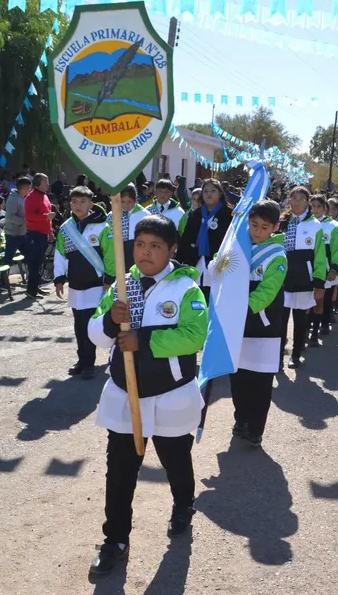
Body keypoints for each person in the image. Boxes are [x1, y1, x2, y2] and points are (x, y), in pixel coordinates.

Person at [86, 215, 208, 578]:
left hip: (171, 396)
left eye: (155, 245)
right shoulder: (120, 288)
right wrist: (110, 319)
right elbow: (97, 334)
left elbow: (194, 336)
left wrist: (146, 341)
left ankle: (183, 505)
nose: (146, 252)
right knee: (120, 472)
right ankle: (115, 540)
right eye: (140, 244)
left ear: (172, 250)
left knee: (175, 460)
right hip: (125, 396)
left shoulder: (187, 288)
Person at [230, 200, 287, 446]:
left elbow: (268, 291)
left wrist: (242, 308)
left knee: (261, 381)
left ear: (275, 227)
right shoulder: (239, 246)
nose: (257, 231)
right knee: (238, 376)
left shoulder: (277, 254)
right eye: (254, 225)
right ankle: (240, 418)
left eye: (265, 227)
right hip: (238, 325)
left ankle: (256, 428)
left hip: (264, 326)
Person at [54, 186, 115, 380]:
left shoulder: (103, 227)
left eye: (82, 202)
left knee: (90, 324)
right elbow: (60, 255)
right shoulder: (65, 228)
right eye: (74, 202)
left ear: (91, 203)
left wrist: (109, 278)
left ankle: (89, 363)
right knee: (78, 325)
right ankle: (82, 360)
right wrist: (59, 278)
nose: (78, 206)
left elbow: (111, 255)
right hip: (76, 285)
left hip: (96, 285)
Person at [277, 187, 326, 368]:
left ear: (308, 202)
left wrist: (319, 283)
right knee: (280, 320)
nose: (296, 201)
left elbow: (320, 257)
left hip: (304, 281)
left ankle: (296, 354)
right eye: (293, 198)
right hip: (282, 279)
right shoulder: (282, 221)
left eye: (300, 198)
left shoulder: (315, 226)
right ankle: (278, 355)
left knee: (300, 320)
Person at [175, 178, 232, 300]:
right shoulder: (196, 214)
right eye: (205, 191)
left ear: (220, 194)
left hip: (217, 265)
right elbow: (185, 239)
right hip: (195, 262)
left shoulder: (228, 215)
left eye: (213, 191)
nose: (209, 194)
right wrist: (179, 262)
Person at [308, 194, 338, 346]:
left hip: (323, 270)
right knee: (307, 302)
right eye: (312, 206)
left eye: (318, 206)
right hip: (307, 269)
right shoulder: (306, 224)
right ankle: (306, 328)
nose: (315, 209)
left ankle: (316, 331)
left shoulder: (334, 227)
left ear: (325, 209)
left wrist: (335, 268)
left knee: (320, 300)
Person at [24, 173, 55, 299]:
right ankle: (31, 291)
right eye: (45, 182)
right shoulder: (31, 197)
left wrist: (50, 231)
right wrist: (45, 217)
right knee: (34, 263)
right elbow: (29, 216)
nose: (47, 184)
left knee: (40, 262)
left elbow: (48, 215)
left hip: (43, 234)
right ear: (37, 183)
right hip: (34, 234)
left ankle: (36, 287)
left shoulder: (45, 196)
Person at [0, 176, 31, 289]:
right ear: (23, 188)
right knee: (8, 258)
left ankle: (32, 279)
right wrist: (24, 221)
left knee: (30, 256)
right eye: (29, 188)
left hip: (21, 233)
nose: (30, 190)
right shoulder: (13, 199)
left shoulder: (22, 197)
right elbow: (9, 217)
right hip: (13, 234)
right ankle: (2, 282)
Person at [114, 183, 149, 272]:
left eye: (129, 202)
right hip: (117, 254)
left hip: (138, 253)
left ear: (135, 200)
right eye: (122, 201)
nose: (126, 205)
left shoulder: (145, 215)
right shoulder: (112, 215)